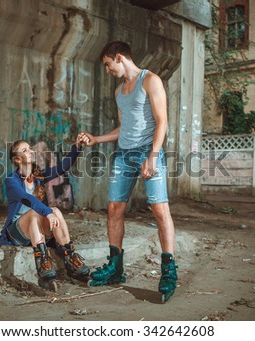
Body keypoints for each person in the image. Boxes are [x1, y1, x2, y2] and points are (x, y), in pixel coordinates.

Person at [80, 41, 178, 302]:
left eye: (108, 64)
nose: (108, 70)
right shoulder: (119, 91)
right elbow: (123, 128)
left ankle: (168, 270)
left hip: (148, 151)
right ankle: (115, 267)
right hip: (123, 155)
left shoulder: (151, 80)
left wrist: (153, 157)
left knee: (159, 209)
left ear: (119, 58)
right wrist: (96, 139)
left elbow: (162, 121)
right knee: (114, 209)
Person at [1, 137, 90, 290]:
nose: (30, 151)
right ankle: (43, 267)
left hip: (35, 230)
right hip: (17, 231)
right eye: (25, 150)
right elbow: (26, 198)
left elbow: (63, 167)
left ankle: (71, 259)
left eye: (30, 148)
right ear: (16, 160)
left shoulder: (38, 175)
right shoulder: (11, 180)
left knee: (56, 210)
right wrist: (46, 212)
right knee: (37, 213)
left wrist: (77, 146)